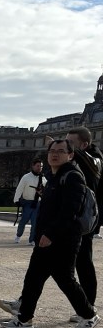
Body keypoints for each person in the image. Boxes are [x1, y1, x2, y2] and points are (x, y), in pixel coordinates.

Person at [0, 139, 99, 328]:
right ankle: (24, 318)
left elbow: (70, 211)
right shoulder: (54, 176)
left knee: (65, 279)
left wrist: (51, 234)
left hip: (64, 238)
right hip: (47, 237)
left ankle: (89, 315)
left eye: (60, 151)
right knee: (33, 278)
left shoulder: (72, 176)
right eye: (52, 150)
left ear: (70, 155)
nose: (55, 154)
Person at [65, 127, 102, 313]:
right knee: (46, 259)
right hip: (72, 216)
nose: (66, 147)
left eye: (70, 143)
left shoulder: (95, 158)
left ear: (84, 144)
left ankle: (89, 306)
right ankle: (25, 302)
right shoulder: (76, 159)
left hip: (85, 220)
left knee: (83, 262)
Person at [12, 157, 44, 245]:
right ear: (33, 166)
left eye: (41, 166)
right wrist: (16, 200)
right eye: (38, 166)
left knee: (35, 223)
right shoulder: (26, 177)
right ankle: (18, 235)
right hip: (27, 203)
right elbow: (19, 189)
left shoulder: (43, 179)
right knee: (23, 221)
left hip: (37, 203)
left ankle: (32, 240)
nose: (40, 168)